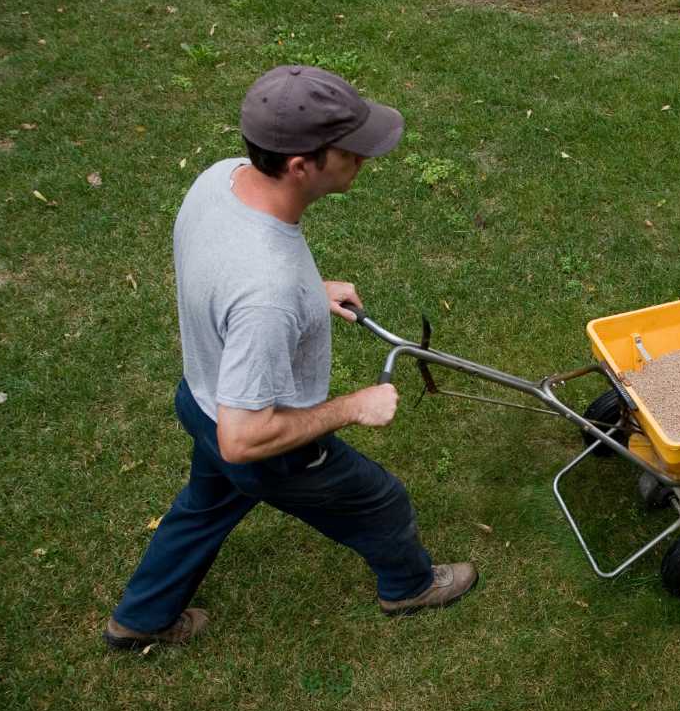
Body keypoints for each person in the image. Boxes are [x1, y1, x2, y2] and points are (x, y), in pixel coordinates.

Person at [103, 65, 477, 650]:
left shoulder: (222, 180)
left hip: (198, 396)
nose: (364, 159)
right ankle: (408, 586)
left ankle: (140, 619)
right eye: (350, 151)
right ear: (301, 165)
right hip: (256, 439)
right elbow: (244, 439)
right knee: (382, 500)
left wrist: (310, 293)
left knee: (205, 505)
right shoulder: (267, 290)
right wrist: (354, 406)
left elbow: (228, 275)